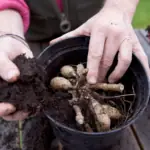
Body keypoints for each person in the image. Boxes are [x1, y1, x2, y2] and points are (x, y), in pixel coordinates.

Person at [0, 0, 149, 121]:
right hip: (34, 39)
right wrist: (8, 32)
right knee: (41, 84)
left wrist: (119, 8)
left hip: (100, 29)